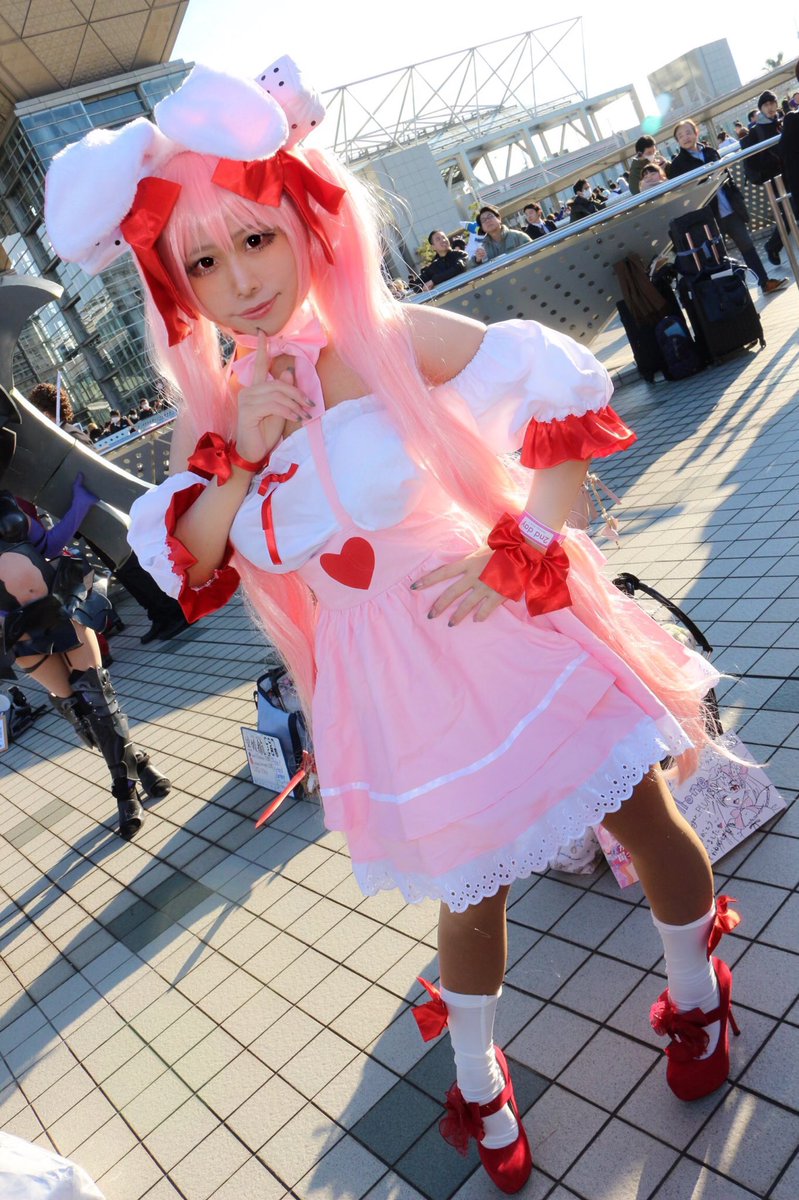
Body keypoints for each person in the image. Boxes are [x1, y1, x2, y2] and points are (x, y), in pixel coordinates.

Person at [45, 60, 743, 1194]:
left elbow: (560, 383)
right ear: (174, 284)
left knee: (644, 817)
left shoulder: (380, 337)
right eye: (203, 262)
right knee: (470, 894)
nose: (239, 280)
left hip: (500, 638)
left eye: (255, 239)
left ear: (303, 222)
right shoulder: (213, 416)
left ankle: (698, 992)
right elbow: (189, 563)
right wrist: (244, 454)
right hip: (389, 689)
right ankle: (477, 1082)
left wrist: (520, 549)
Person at [0, 488, 170, 838]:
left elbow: (47, 545)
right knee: (77, 709)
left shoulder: (5, 503)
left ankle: (124, 793)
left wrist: (80, 504)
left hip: (63, 605)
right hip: (21, 632)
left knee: (98, 698)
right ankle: (139, 764)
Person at [26, 381, 190, 644]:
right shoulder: (61, 438)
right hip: (89, 518)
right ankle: (158, 614)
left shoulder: (71, 436)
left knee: (131, 565)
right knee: (121, 569)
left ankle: (172, 612)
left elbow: (90, 475)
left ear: (46, 411)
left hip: (100, 514)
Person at [666, 119, 787, 295]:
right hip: (707, 217)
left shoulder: (710, 151)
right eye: (680, 136)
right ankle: (730, 294)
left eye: (688, 132)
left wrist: (736, 197)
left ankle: (764, 282)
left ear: (696, 133)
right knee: (717, 257)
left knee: (747, 246)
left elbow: (727, 177)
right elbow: (681, 193)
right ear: (677, 141)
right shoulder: (678, 164)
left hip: (729, 208)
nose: (685, 137)